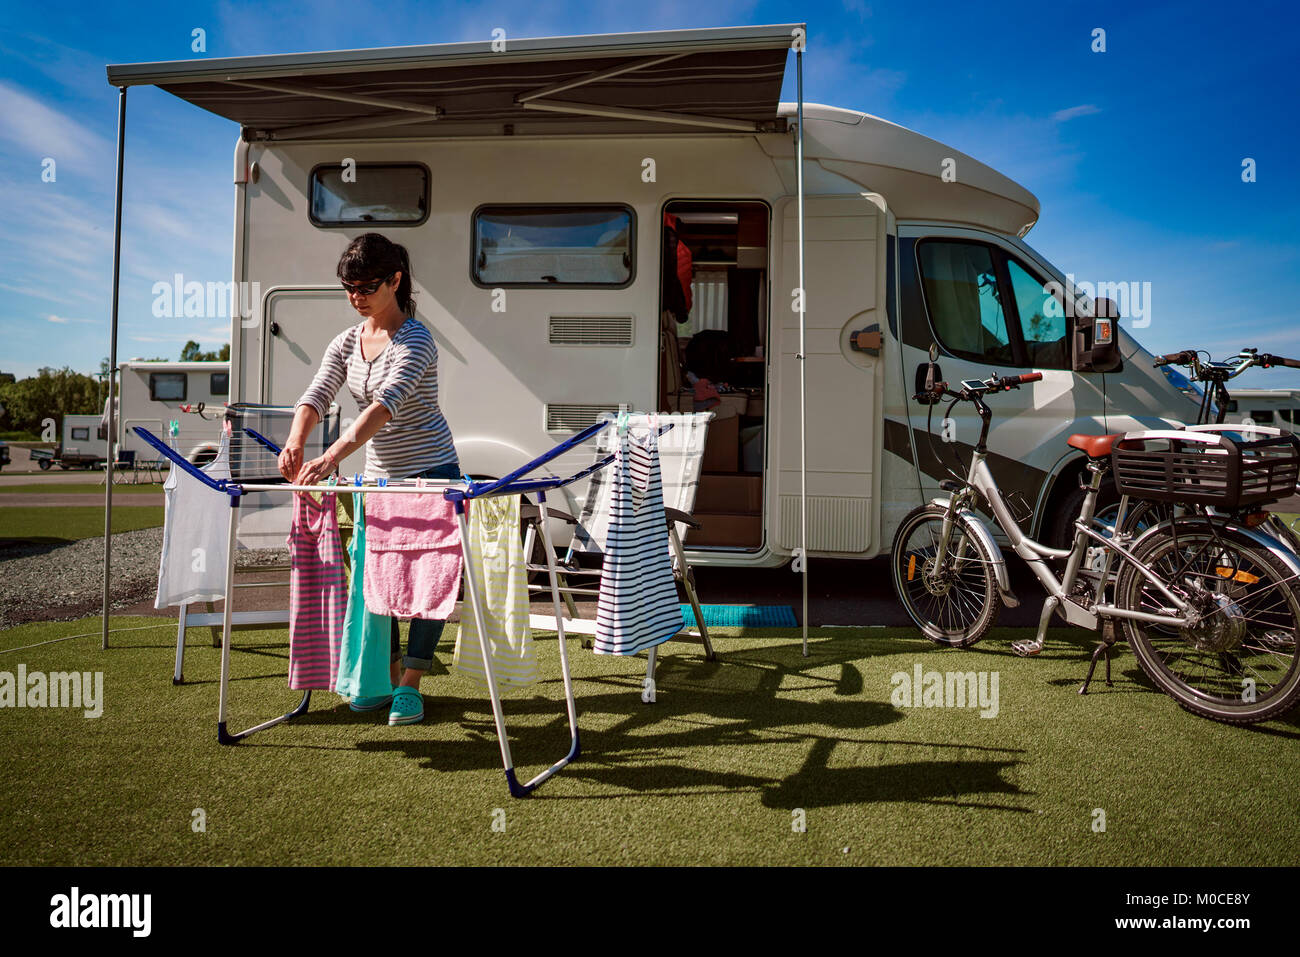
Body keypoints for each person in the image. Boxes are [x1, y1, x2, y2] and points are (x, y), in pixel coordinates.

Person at [278, 232, 458, 726]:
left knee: (428, 580)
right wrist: (297, 440)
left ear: (395, 281)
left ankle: (412, 684)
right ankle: (385, 675)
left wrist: (331, 455)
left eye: (366, 287)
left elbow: (383, 408)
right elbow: (317, 393)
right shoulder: (346, 342)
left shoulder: (417, 339)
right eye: (348, 288)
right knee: (378, 579)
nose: (355, 297)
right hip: (379, 479)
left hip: (430, 474)